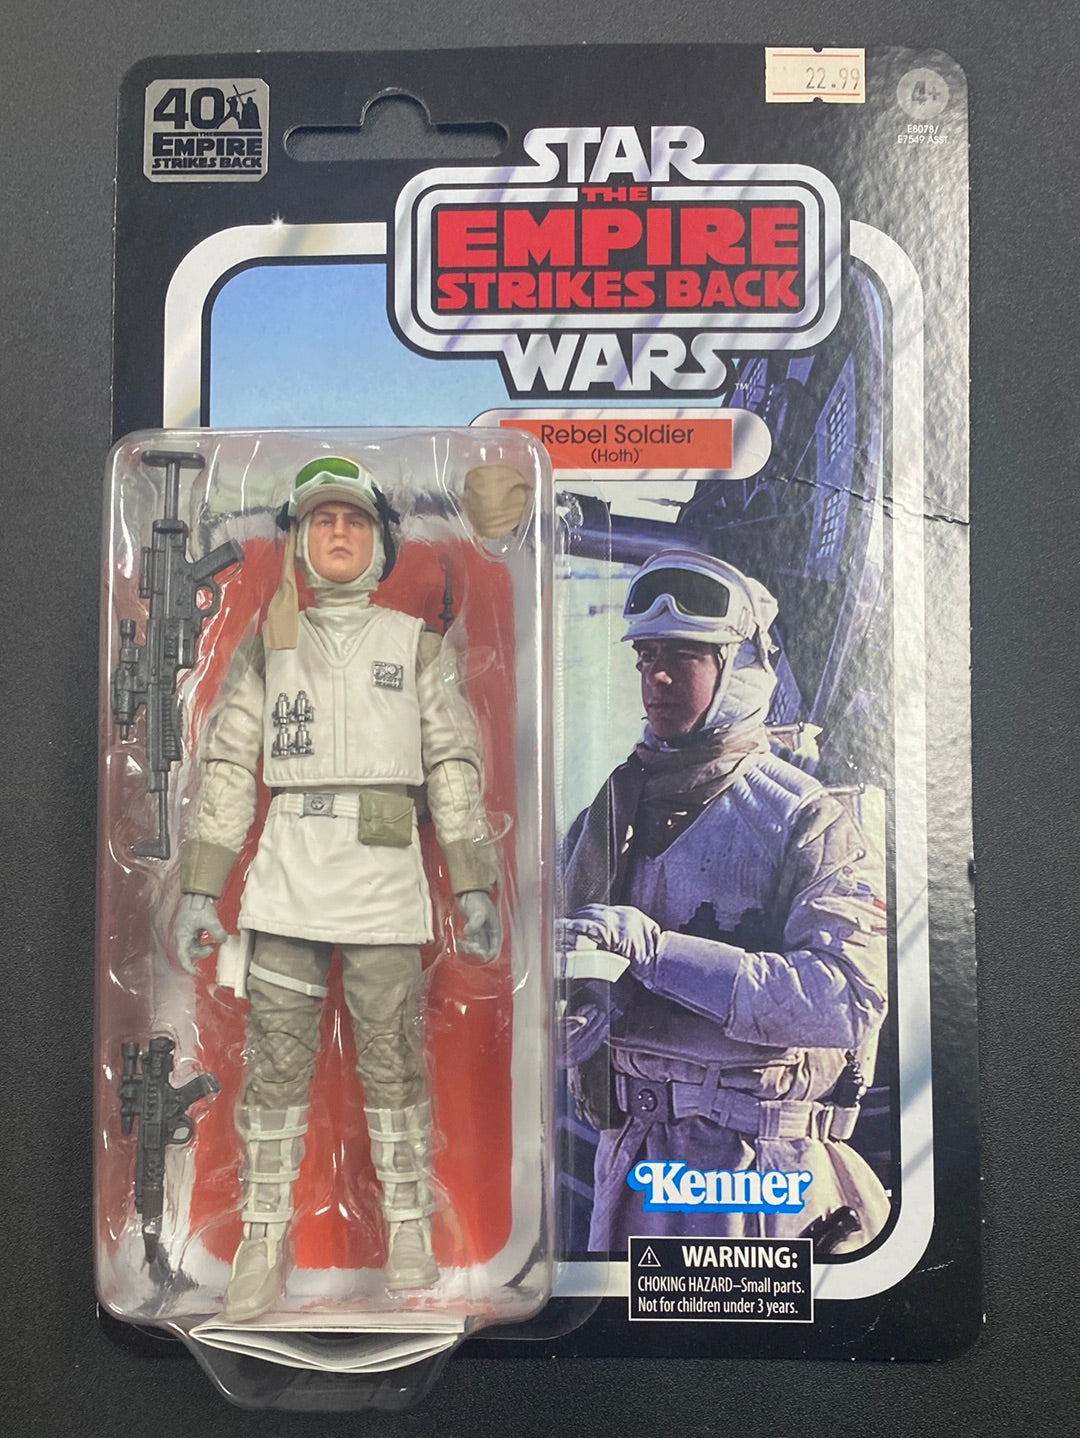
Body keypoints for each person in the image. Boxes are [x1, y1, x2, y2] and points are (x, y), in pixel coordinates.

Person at [172, 456, 500, 1320]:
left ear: (381, 540)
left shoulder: (414, 646)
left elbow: (453, 765)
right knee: (278, 1056)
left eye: (354, 520)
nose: (340, 534)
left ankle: (407, 1225)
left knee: (391, 1051)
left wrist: (473, 882)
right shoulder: (269, 644)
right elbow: (228, 763)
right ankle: (262, 1235)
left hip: (384, 871)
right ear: (300, 543)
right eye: (323, 521)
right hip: (289, 868)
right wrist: (202, 889)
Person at [561, 549, 890, 1253]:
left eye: (684, 655)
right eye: (646, 655)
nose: (656, 676)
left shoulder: (804, 818)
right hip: (634, 1163)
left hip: (761, 1174)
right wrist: (562, 1019)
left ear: (738, 665)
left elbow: (848, 999)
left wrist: (658, 955)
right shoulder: (603, 819)